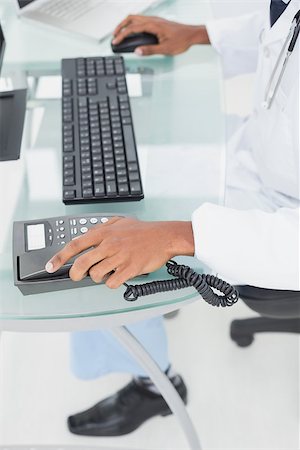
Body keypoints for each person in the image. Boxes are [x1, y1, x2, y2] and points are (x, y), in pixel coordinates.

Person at [46, 0, 299, 437]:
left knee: (103, 242)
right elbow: (282, 21)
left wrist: (180, 235)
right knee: (111, 176)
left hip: (278, 219)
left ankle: (154, 387)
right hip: (256, 152)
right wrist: (200, 32)